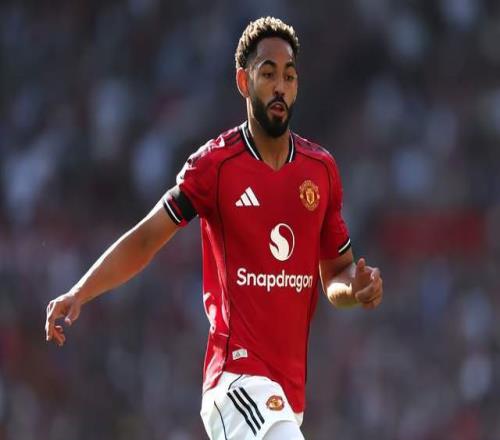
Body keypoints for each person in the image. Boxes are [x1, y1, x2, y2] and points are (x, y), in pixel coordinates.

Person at [45, 16, 383, 440]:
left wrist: (356, 287)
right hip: (235, 381)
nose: (280, 86)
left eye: (289, 76)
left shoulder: (321, 171)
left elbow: (335, 273)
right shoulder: (215, 166)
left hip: (287, 396)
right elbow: (147, 238)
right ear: (243, 81)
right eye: (268, 74)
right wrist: (80, 292)